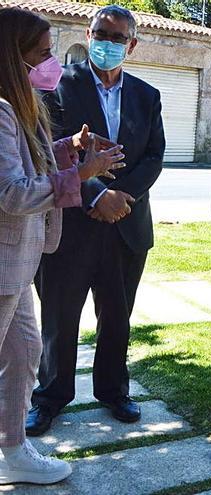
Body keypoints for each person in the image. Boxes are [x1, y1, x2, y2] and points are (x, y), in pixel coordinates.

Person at [27, 4, 165, 436]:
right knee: (59, 317)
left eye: (116, 38)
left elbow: (154, 157)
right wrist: (96, 193)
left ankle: (113, 391)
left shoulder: (147, 95)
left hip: (126, 224)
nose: (106, 44)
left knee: (117, 317)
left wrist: (122, 196)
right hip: (70, 224)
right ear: (88, 35)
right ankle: (50, 398)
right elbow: (46, 149)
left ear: (133, 44)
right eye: (100, 35)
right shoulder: (55, 87)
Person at [0, 7, 124, 484]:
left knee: (25, 353)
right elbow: (11, 193)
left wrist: (66, 148)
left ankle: (13, 449)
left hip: (20, 258)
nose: (51, 62)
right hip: (5, 261)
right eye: (42, 54)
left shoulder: (19, 103)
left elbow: (27, 165)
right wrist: (83, 175)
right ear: (12, 58)